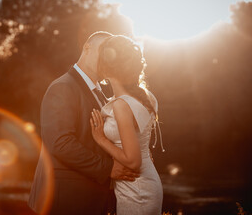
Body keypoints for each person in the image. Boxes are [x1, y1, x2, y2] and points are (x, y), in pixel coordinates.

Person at [28, 31, 139, 215]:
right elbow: (60, 143)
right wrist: (108, 168)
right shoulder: (63, 87)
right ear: (86, 48)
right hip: (65, 199)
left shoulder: (102, 95)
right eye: (102, 52)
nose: (106, 60)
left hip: (91, 199)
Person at [90, 35, 164, 215]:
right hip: (147, 182)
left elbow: (133, 161)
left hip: (137, 190)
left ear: (106, 69)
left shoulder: (121, 106)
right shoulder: (147, 97)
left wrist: (101, 139)